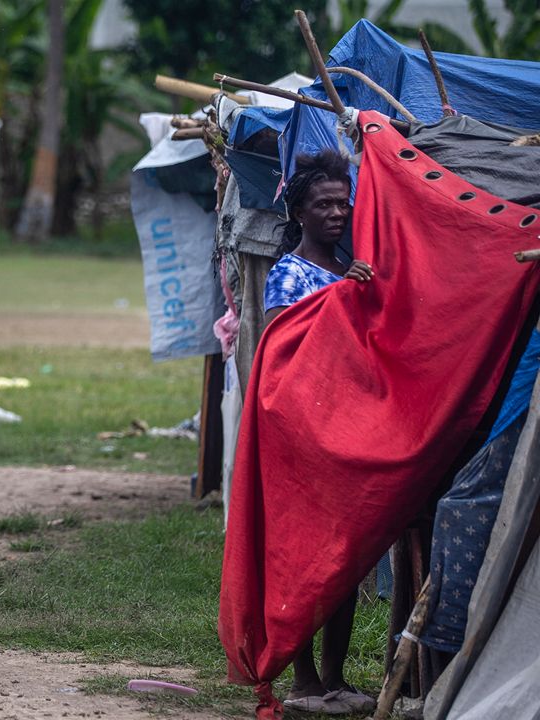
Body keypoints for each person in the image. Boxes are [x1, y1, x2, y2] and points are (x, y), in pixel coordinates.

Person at [263, 150, 374, 715]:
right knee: (306, 560)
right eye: (323, 204)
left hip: (352, 430)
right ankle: (304, 678)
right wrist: (342, 296)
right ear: (299, 212)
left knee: (346, 562)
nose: (337, 211)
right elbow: (288, 354)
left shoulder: (357, 267)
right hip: (305, 433)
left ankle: (335, 677)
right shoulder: (288, 275)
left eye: (342, 202)